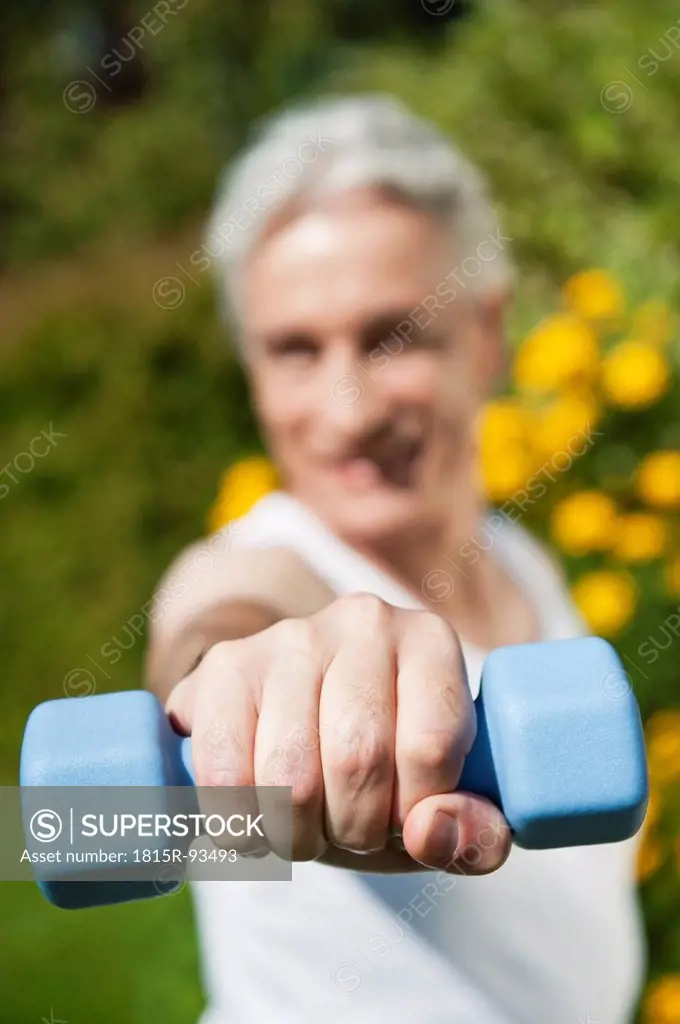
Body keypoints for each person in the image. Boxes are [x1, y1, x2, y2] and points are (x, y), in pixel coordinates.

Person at [145, 95, 646, 1024]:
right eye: (294, 351)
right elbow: (217, 625)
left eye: (392, 336)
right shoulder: (256, 566)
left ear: (487, 335)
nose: (349, 410)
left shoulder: (521, 556)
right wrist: (240, 693)